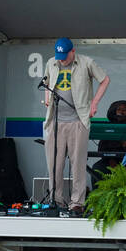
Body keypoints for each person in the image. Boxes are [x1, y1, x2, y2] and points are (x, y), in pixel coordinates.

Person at [43, 37, 110, 216]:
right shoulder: (51, 62)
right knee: (54, 164)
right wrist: (48, 99)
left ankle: (76, 203)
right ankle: (55, 201)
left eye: (65, 56)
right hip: (55, 121)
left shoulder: (86, 63)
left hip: (77, 121)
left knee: (77, 164)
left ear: (73, 51)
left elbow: (105, 80)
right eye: (59, 56)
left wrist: (94, 103)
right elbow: (46, 82)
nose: (61, 59)